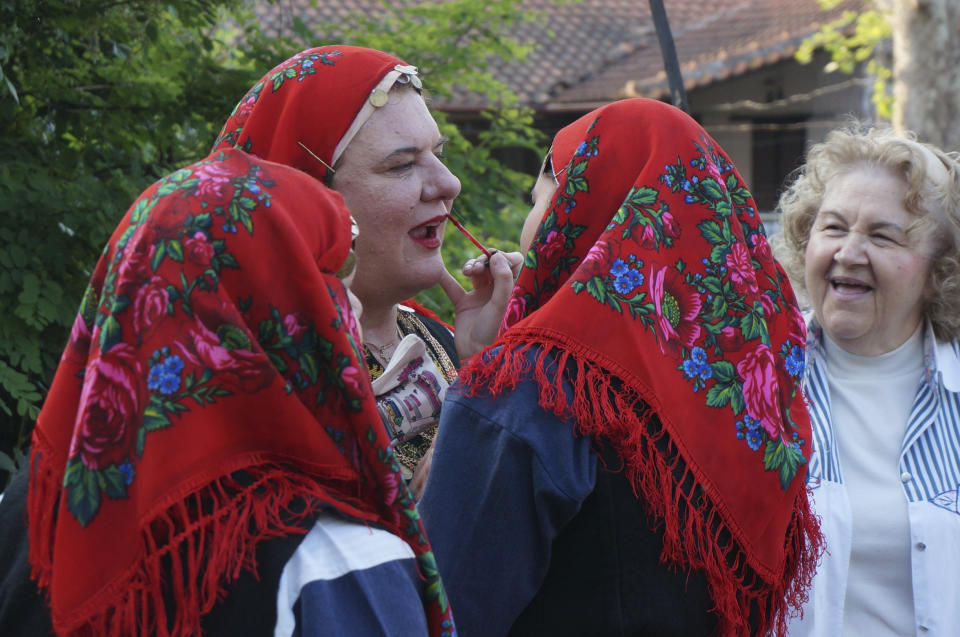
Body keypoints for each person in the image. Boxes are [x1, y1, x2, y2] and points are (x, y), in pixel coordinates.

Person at [0, 148, 455, 636]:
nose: (353, 305)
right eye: (330, 281)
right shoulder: (336, 557)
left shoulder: (33, 501)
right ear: (274, 314)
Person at [418, 97, 822, 636]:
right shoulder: (751, 392)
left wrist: (491, 376)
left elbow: (439, 612)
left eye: (538, 202)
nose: (531, 224)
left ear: (577, 211)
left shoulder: (532, 387)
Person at [213, 45, 520, 485]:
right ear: (306, 200)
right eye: (401, 165)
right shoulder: (259, 381)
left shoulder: (443, 341)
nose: (448, 183)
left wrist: (482, 366)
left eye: (439, 153)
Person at [773, 125, 960, 636]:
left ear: (939, 269)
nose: (849, 253)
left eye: (882, 235)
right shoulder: (754, 381)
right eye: (832, 228)